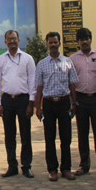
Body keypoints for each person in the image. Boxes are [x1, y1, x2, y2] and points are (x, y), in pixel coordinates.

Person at [35, 32, 79, 181]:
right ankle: (52, 170)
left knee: (66, 137)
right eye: (50, 42)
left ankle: (66, 169)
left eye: (55, 42)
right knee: (49, 137)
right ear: (47, 44)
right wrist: (38, 107)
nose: (53, 45)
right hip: (48, 104)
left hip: (64, 103)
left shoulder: (68, 62)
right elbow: (39, 87)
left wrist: (74, 103)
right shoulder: (41, 64)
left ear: (59, 43)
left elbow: (72, 84)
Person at [0, 30, 37, 178]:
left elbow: (32, 82)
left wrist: (31, 103)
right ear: (5, 42)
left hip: (23, 100)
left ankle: (26, 166)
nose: (12, 41)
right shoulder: (0, 60)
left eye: (14, 38)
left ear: (18, 40)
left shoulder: (27, 59)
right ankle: (12, 166)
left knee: (25, 134)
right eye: (9, 39)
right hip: (7, 101)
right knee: (9, 135)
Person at [70, 27, 96, 178]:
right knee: (82, 134)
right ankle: (84, 165)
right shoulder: (73, 59)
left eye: (87, 39)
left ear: (90, 39)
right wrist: (73, 103)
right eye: (82, 39)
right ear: (78, 42)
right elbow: (70, 83)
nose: (85, 42)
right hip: (80, 100)